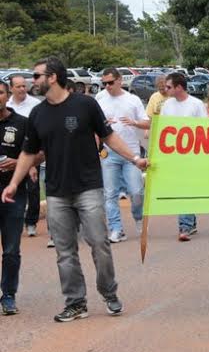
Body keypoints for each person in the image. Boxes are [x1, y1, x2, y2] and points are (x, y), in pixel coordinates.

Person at [2, 57, 148, 322]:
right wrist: (13, 183)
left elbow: (109, 136)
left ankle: (109, 293)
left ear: (53, 77)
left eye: (36, 76)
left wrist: (135, 159)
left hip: (88, 187)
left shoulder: (86, 105)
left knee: (99, 244)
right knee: (64, 251)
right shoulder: (38, 113)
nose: (32, 81)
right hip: (57, 192)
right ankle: (75, 302)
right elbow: (28, 152)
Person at [96, 68, 150, 244]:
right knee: (110, 194)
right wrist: (102, 125)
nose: (107, 86)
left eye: (110, 82)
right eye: (104, 83)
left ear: (120, 80)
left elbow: (146, 122)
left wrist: (134, 122)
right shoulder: (100, 98)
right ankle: (116, 229)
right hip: (108, 153)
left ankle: (138, 217)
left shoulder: (132, 99)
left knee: (136, 192)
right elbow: (94, 125)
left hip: (132, 153)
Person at [161, 73, 207, 242]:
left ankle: (185, 226)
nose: (165, 90)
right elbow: (163, 129)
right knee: (181, 189)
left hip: (192, 154)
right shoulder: (167, 105)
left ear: (179, 87)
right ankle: (190, 221)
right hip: (173, 154)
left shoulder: (196, 104)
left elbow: (205, 129)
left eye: (168, 87)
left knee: (185, 188)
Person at [0, 81, 30, 315]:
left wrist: (18, 163)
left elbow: (36, 152)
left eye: (0, 93)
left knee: (11, 249)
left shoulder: (21, 123)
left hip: (13, 194)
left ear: (6, 95)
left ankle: (8, 295)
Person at [7, 75, 41, 238]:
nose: (22, 89)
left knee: (32, 189)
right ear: (11, 88)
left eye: (24, 86)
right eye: (18, 86)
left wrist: (33, 163)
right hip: (9, 157)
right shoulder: (6, 105)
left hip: (31, 154)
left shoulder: (35, 105)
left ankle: (31, 222)